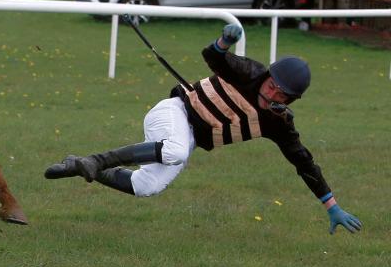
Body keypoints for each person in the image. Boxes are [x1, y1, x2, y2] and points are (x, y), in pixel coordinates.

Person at [45, 24, 362, 235]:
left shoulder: (279, 124)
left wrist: (331, 206)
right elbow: (213, 56)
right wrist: (225, 41)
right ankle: (97, 160)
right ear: (268, 75)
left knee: (146, 187)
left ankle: (80, 165)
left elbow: (303, 161)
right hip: (173, 112)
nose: (271, 94)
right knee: (175, 151)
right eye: (272, 86)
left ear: (291, 99)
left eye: (282, 94)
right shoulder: (248, 71)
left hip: (189, 138)